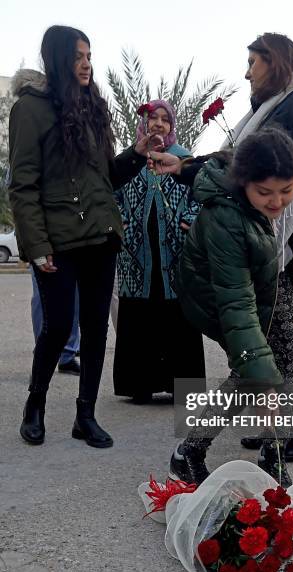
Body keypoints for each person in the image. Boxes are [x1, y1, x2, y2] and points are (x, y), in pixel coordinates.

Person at [151, 126, 293, 485]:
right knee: (251, 373)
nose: (277, 201)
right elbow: (238, 306)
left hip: (273, 275)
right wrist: (263, 384)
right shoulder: (224, 218)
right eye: (264, 193)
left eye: (285, 190)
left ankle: (272, 454)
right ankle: (188, 453)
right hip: (221, 291)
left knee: (290, 356)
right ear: (243, 183)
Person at [9, 25, 152, 448]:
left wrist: (136, 155)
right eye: (77, 56)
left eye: (89, 55)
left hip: (100, 238)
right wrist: (36, 246)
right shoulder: (30, 109)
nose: (86, 63)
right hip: (58, 241)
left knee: (95, 329)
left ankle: (84, 415)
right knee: (55, 329)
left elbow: (105, 178)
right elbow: (22, 185)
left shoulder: (93, 106)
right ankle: (34, 405)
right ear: (57, 59)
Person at [223, 33, 293, 460]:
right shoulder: (267, 109)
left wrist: (273, 174)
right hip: (267, 242)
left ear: (277, 62)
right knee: (275, 338)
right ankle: (274, 427)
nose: (247, 72)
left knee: (287, 341)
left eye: (253, 62)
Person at [113, 100, 205, 404]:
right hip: (135, 255)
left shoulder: (183, 160)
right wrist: (122, 223)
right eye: (154, 119)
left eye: (166, 120)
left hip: (176, 254)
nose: (160, 125)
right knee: (140, 314)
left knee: (178, 314)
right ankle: (139, 385)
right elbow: (110, 193)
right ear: (144, 122)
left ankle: (183, 388)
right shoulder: (129, 160)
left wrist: (190, 219)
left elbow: (201, 195)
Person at [30, 268, 81, 374]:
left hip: (73, 252)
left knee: (74, 294)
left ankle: (67, 356)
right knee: (42, 295)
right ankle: (42, 355)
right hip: (43, 253)